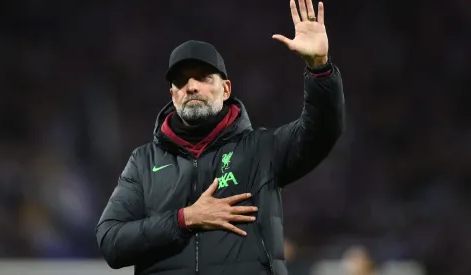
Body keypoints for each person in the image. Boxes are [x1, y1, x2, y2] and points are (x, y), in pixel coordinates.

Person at [95, 0, 345, 274]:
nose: (190, 86)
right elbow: (111, 241)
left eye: (203, 77)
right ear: (173, 95)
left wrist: (319, 69)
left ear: (225, 89)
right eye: (180, 81)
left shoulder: (261, 149)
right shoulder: (143, 162)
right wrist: (185, 219)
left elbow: (321, 132)